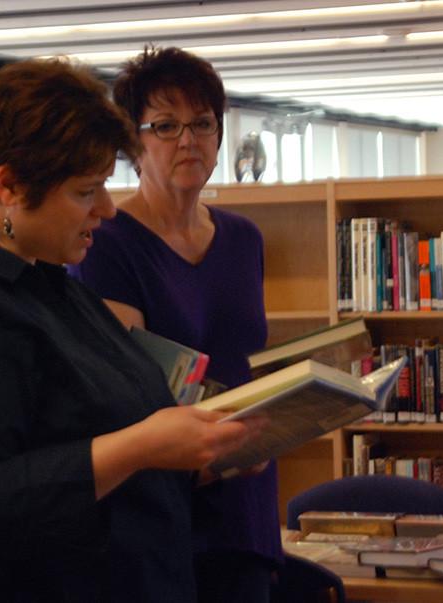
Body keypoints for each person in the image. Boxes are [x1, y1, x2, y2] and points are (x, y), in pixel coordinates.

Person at [0, 59, 255, 603]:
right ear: (10, 186)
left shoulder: (49, 286)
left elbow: (85, 440)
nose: (108, 211)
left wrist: (203, 453)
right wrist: (141, 446)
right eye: (87, 192)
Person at [68, 46, 282, 602]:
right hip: (160, 507)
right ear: (133, 145)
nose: (188, 140)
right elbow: (126, 390)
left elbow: (243, 361)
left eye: (202, 123)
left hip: (245, 499)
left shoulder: (243, 239)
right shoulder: (105, 243)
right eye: (165, 126)